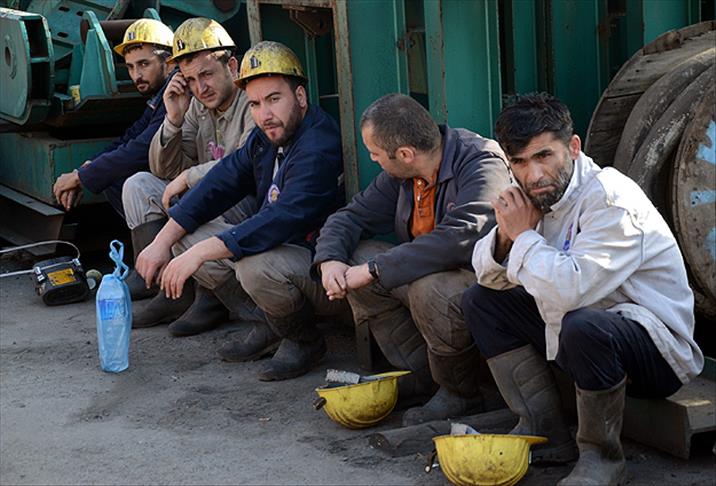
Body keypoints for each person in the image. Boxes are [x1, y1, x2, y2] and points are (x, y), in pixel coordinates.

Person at [461, 93, 703, 485]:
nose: (534, 175)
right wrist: (506, 237)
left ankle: (602, 459)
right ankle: (544, 431)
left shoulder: (610, 199)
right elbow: (486, 274)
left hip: (655, 352)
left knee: (583, 324)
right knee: (481, 301)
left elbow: (570, 290)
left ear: (573, 147)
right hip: (575, 335)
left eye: (544, 156)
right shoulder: (537, 195)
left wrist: (523, 235)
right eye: (519, 162)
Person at [227, 93, 510, 407]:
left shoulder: (481, 162)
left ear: (405, 154)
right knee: (356, 258)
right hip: (432, 278)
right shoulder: (405, 172)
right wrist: (330, 261)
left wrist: (375, 269)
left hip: (488, 290)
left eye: (375, 153)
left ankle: (459, 393)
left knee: (427, 287)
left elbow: (460, 238)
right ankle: (421, 376)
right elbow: (349, 217)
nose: (373, 159)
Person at [134, 41, 344, 351]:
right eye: (255, 104)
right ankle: (267, 322)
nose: (265, 114)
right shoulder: (267, 135)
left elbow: (278, 219)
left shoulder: (317, 146)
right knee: (182, 234)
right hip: (285, 253)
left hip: (322, 270)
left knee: (253, 267)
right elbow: (221, 181)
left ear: (300, 97)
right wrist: (160, 242)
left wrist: (200, 253)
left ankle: (303, 341)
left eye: (274, 99)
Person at [121, 18, 255, 309]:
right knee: (139, 185)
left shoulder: (251, 100)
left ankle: (221, 304)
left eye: (206, 74)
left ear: (231, 66)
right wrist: (173, 119)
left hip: (244, 203)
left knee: (186, 215)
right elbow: (163, 170)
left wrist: (189, 178)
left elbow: (245, 166)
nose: (200, 88)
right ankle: (170, 293)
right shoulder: (197, 105)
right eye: (191, 80)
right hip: (211, 198)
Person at [52, 18, 174, 219]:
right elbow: (131, 136)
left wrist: (81, 177)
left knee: (128, 179)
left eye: (144, 64)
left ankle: (164, 240)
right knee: (113, 177)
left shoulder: (177, 91)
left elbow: (144, 148)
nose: (136, 75)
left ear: (169, 63)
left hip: (195, 179)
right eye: (130, 67)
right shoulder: (159, 95)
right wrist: (85, 170)